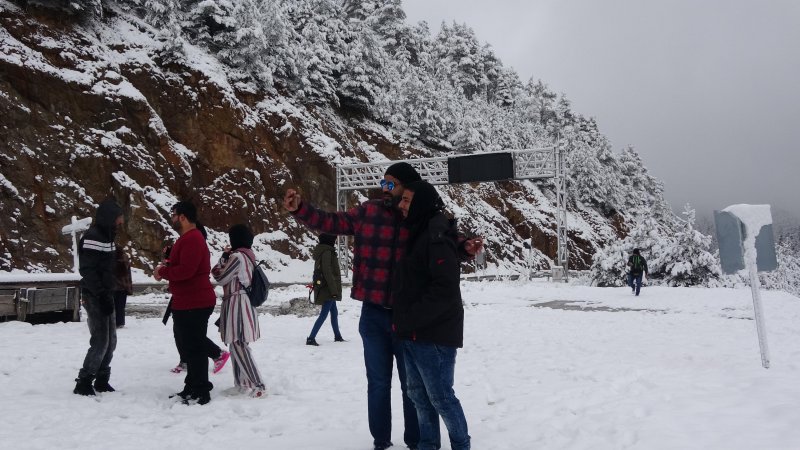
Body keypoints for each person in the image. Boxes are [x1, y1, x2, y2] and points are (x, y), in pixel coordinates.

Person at [284, 162, 483, 450]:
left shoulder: (417, 218)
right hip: (373, 313)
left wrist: (464, 246)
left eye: (392, 184)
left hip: (407, 316)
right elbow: (332, 222)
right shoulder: (369, 211)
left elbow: (444, 238)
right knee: (377, 383)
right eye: (384, 183)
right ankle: (381, 441)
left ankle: (416, 441)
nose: (385, 189)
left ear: (408, 188)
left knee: (411, 387)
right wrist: (301, 209)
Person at [393, 180, 470, 450]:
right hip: (413, 331)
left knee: (441, 398)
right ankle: (428, 445)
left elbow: (444, 288)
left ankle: (461, 445)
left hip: (434, 334)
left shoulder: (436, 234)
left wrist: (410, 318)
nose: (401, 205)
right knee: (418, 396)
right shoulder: (417, 230)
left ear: (421, 204)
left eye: (406, 200)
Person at [154, 201, 217, 405]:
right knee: (190, 347)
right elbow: (182, 266)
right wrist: (168, 264)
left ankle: (201, 391)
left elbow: (186, 271)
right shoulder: (187, 238)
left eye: (174, 215)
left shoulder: (193, 238)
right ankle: (192, 387)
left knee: (195, 348)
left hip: (195, 302)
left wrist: (163, 272)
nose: (172, 218)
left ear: (182, 217)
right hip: (187, 301)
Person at [74, 198, 124, 396]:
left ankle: (102, 379)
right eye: (119, 217)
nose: (121, 221)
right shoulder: (93, 237)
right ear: (109, 217)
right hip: (94, 295)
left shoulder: (107, 236)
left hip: (106, 293)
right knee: (101, 340)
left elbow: (107, 268)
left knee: (111, 340)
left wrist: (112, 290)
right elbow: (88, 270)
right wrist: (101, 294)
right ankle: (84, 381)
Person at [211, 224, 267, 398]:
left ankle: (258, 385)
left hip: (238, 303)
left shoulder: (237, 257)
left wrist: (223, 257)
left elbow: (220, 276)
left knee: (238, 343)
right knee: (235, 344)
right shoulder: (247, 255)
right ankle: (241, 384)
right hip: (239, 302)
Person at [161, 243, 230, 375]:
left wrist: (163, 270)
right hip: (184, 297)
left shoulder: (195, 244)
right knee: (181, 332)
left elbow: (185, 270)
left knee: (191, 335)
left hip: (194, 298)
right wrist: (170, 254)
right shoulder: (189, 244)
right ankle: (187, 360)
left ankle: (216, 354)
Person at [306, 233, 344, 346]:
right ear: (329, 240)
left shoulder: (324, 251)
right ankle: (311, 338)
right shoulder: (327, 252)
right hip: (328, 288)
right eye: (334, 239)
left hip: (326, 287)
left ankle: (338, 336)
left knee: (334, 312)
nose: (335, 241)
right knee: (324, 314)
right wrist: (334, 291)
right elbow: (327, 272)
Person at [113, 247, 133, 329]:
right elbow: (128, 274)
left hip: (111, 286)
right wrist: (129, 288)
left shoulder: (108, 257)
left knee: (112, 305)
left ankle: (112, 322)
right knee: (121, 306)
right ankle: (120, 322)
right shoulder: (125, 257)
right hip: (123, 286)